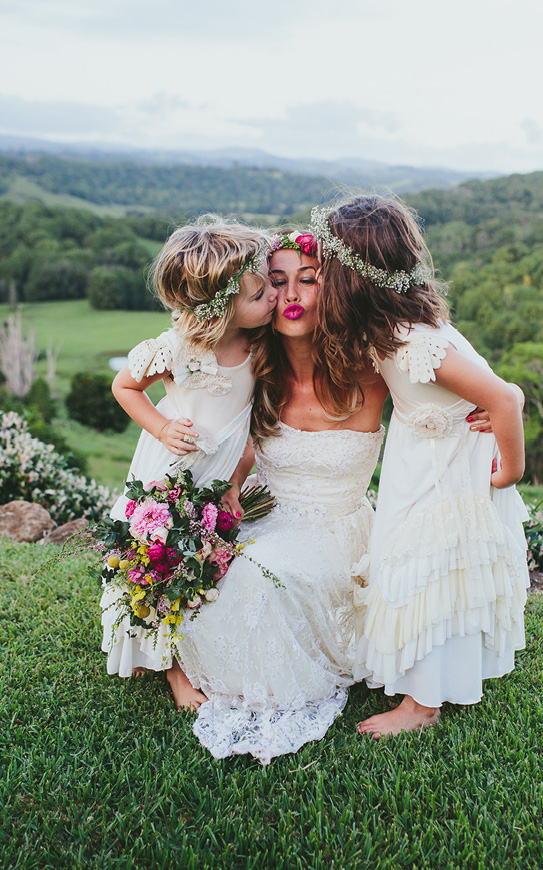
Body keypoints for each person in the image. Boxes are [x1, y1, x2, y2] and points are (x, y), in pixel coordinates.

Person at [314, 194, 529, 737]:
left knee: (427, 581)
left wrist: (511, 470)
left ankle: (421, 704)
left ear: (353, 278)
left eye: (327, 267)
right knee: (426, 577)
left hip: (446, 477)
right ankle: (430, 678)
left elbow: (502, 399)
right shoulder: (392, 329)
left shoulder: (417, 342)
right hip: (425, 464)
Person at [174, 230, 388, 764]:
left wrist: (484, 414)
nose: (291, 294)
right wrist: (225, 482)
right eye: (277, 281)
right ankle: (181, 668)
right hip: (266, 513)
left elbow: (449, 382)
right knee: (209, 559)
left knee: (263, 573)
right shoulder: (252, 368)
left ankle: (249, 680)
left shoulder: (374, 369)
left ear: (332, 291)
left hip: (336, 529)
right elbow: (227, 431)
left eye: (308, 280)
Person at [100, 215, 276, 703]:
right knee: (163, 564)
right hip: (172, 474)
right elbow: (125, 385)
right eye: (259, 295)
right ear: (222, 308)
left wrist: (237, 481)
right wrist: (160, 426)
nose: (273, 300)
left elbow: (248, 420)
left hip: (217, 477)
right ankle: (173, 670)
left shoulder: (260, 344)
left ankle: (199, 649)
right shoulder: (178, 346)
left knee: (203, 568)